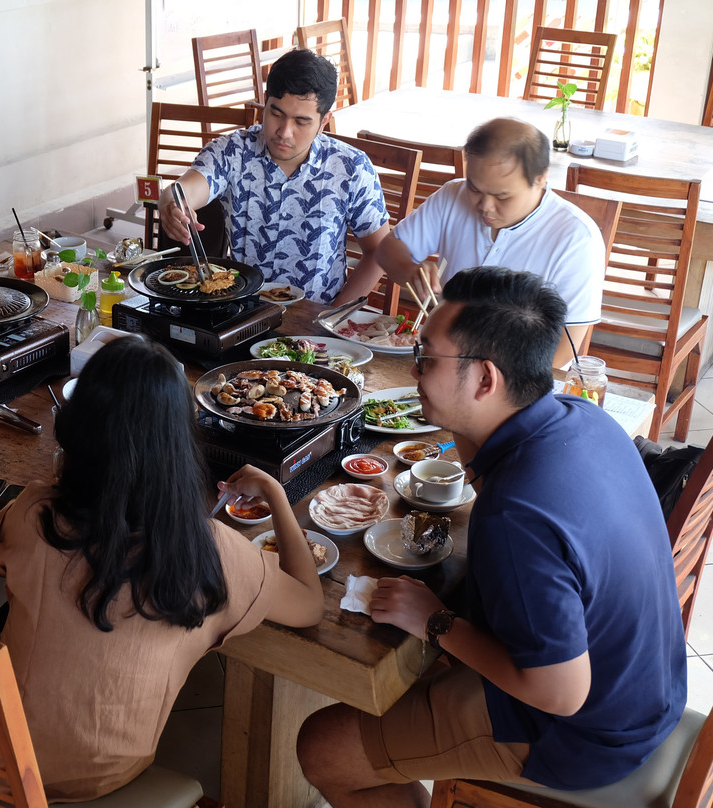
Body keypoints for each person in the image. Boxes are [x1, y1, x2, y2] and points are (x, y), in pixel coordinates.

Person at [297, 266, 686, 807]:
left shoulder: (517, 516)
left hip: (583, 732)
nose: (414, 370)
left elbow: (561, 694)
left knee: (322, 747)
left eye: (426, 357)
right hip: (649, 689)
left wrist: (435, 621)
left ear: (485, 379)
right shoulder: (580, 415)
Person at [0, 336, 325, 801]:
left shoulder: (33, 513)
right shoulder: (212, 551)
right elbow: (309, 605)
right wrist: (277, 496)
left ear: (76, 427)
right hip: (98, 773)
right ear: (180, 444)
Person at [344, 118, 605, 367]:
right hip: (441, 357)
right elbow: (388, 250)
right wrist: (411, 271)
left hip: (519, 374)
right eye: (475, 188)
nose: (485, 206)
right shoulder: (452, 196)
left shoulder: (576, 238)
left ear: (541, 178)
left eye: (502, 196)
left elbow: (564, 349)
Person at [158, 47, 389, 304]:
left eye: (301, 122)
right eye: (276, 114)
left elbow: (379, 251)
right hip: (244, 309)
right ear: (265, 103)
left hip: (318, 316)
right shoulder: (233, 152)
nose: (284, 132)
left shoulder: (351, 168)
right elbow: (184, 190)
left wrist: (332, 316)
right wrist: (171, 204)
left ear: (324, 121)